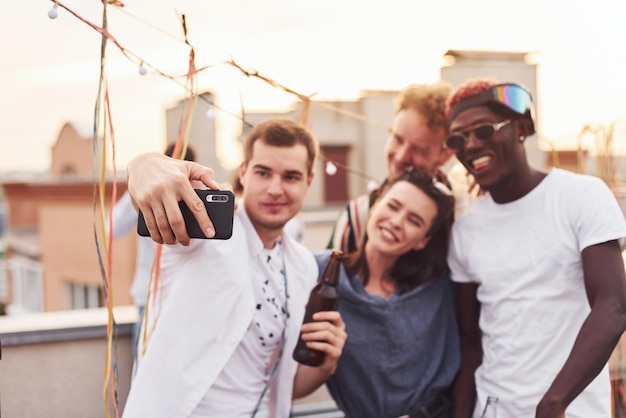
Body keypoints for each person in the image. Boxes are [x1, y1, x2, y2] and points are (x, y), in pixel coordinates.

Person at [121, 118, 347, 418]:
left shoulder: (303, 265)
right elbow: (149, 184)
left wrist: (328, 361)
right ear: (244, 172)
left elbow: (284, 388)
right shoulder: (208, 230)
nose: (275, 189)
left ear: (309, 181)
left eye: (291, 177)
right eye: (263, 173)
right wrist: (143, 165)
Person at [445, 78, 626, 417]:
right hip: (493, 409)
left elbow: (613, 305)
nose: (469, 145)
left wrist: (554, 402)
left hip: (571, 410)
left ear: (522, 128)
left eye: (483, 130)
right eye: (458, 138)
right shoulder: (465, 231)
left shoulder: (580, 196)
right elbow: (471, 346)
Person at [311, 168, 460, 418]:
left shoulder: (439, 283)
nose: (396, 221)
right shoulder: (322, 273)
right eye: (392, 206)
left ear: (423, 240)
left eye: (414, 221)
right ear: (376, 202)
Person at [328, 82, 456, 253]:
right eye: (398, 139)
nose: (401, 156)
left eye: (419, 150)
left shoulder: (459, 215)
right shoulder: (358, 216)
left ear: (445, 156)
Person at [107, 143, 195, 368]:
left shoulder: (198, 195)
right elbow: (113, 228)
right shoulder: (143, 193)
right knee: (146, 371)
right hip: (149, 297)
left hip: (187, 301)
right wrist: (139, 189)